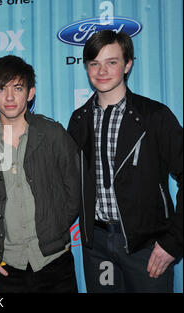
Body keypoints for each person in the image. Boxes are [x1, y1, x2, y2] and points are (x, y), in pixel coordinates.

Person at [67, 30, 183, 292]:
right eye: (94, 63)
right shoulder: (78, 120)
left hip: (147, 249)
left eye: (112, 62)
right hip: (96, 246)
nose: (102, 71)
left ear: (128, 64)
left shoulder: (155, 116)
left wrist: (173, 242)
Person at [0, 55, 80, 293]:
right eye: (2, 88)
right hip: (6, 266)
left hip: (54, 260)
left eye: (17, 88)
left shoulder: (53, 134)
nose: (9, 97)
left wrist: (56, 225)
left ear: (30, 93)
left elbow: (75, 189)